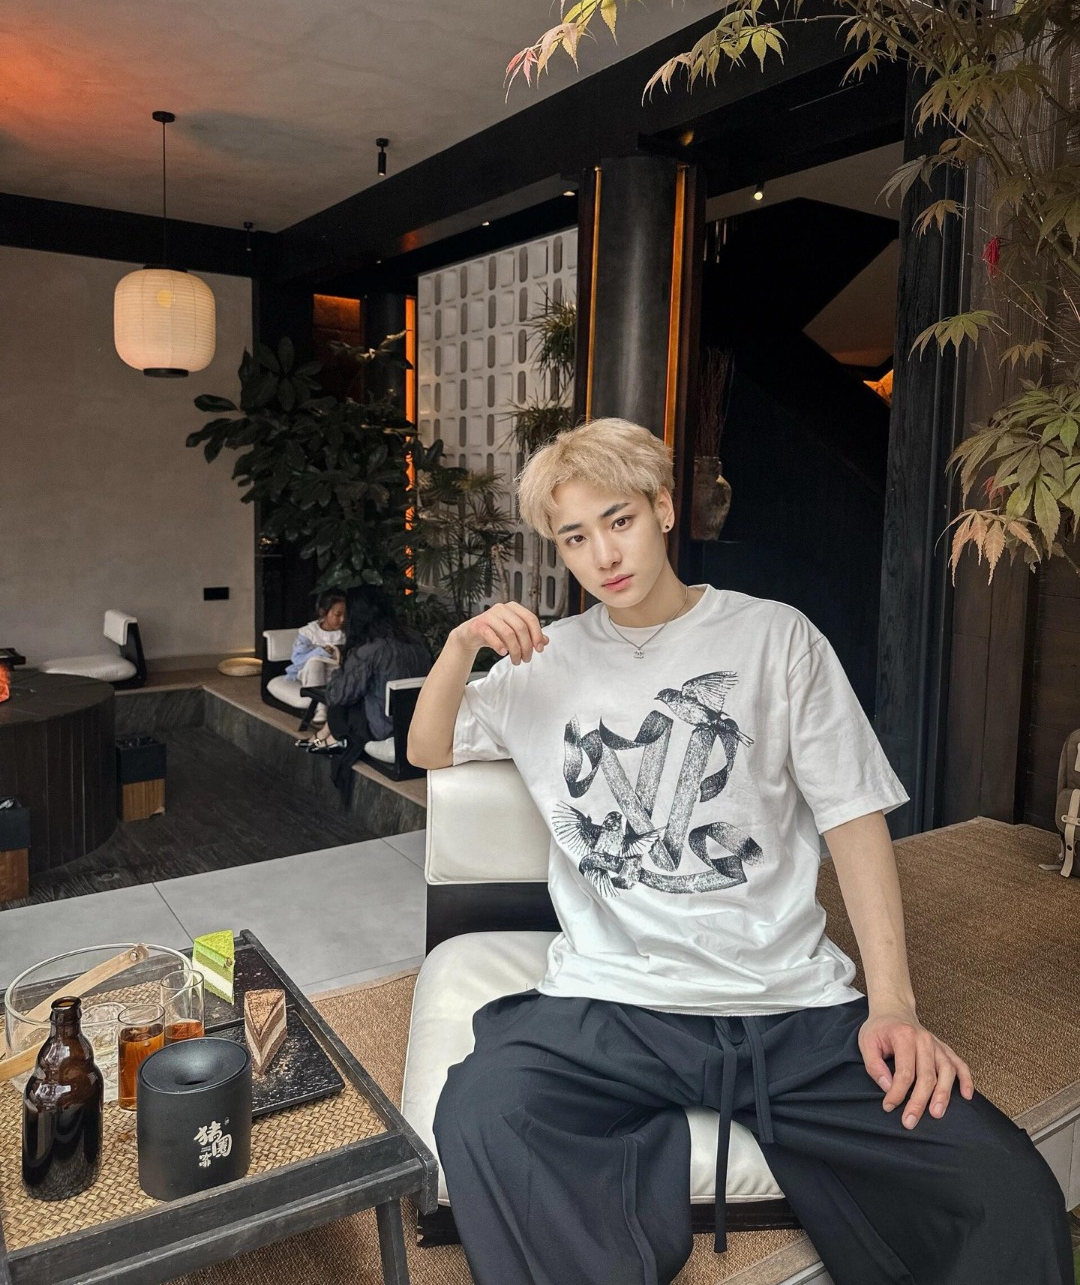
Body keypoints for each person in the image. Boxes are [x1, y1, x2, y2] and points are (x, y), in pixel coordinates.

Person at [407, 417, 1071, 1285]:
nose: (603, 555)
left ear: (662, 508)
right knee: (482, 1111)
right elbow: (428, 747)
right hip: (614, 1000)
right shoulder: (543, 663)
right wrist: (460, 647)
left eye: (619, 520)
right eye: (574, 538)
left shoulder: (775, 638)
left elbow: (854, 820)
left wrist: (895, 1006)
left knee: (1004, 1187)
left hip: (786, 1003)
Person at [312, 585, 432, 802]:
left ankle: (323, 740)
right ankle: (323, 738)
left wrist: (340, 666)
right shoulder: (416, 639)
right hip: (419, 723)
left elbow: (338, 695)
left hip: (384, 728)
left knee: (341, 706)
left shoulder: (368, 650)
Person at [286, 589, 345, 737]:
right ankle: (320, 707)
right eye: (338, 615)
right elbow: (298, 659)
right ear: (323, 612)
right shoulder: (308, 632)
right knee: (315, 663)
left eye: (345, 615)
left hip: (335, 673)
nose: (342, 619)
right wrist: (321, 652)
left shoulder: (345, 633)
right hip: (309, 672)